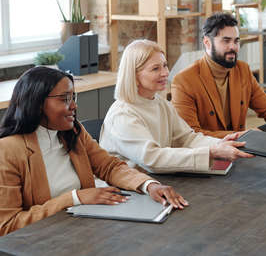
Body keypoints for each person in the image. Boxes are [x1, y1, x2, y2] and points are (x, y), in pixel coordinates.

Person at [0, 67, 187, 236]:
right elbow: (7, 225)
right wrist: (74, 198)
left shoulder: (73, 132)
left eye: (73, 97)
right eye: (65, 99)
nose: (74, 106)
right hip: (40, 240)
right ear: (37, 103)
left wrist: (149, 185)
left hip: (82, 229)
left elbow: (109, 166)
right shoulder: (7, 150)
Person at [99, 39, 253, 174]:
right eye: (155, 68)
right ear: (134, 75)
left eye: (165, 65)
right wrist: (211, 152)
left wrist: (219, 144)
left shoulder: (160, 104)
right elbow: (152, 160)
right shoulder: (122, 115)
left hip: (156, 182)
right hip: (126, 192)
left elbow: (186, 138)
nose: (165, 73)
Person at [171, 12, 266, 139]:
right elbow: (190, 135)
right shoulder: (184, 81)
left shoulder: (242, 70)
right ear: (207, 42)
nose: (233, 47)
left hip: (239, 151)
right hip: (206, 157)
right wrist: (242, 135)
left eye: (236, 41)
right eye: (226, 41)